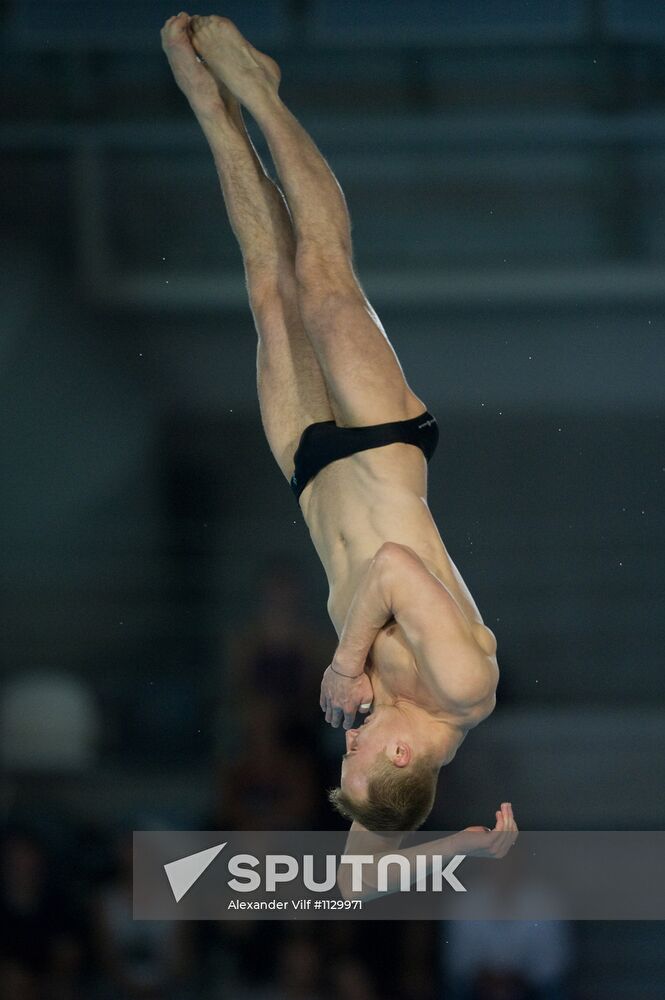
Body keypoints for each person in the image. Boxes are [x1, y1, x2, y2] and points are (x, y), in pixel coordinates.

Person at [161, 13, 511, 834]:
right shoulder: (461, 689)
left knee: (267, 286)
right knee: (321, 278)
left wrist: (463, 850)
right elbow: (389, 565)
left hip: (311, 472)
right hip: (383, 446)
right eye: (356, 756)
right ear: (398, 757)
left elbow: (356, 883)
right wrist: (344, 664)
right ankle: (262, 93)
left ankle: (214, 111)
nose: (345, 740)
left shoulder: (381, 730)